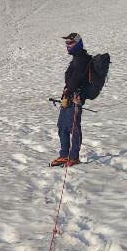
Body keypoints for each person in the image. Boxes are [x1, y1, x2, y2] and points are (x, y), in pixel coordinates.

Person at [51, 32, 91, 167]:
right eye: (66, 43)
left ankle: (74, 157)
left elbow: (75, 81)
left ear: (78, 43)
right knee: (62, 126)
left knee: (73, 127)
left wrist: (69, 91)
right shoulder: (76, 58)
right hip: (68, 97)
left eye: (70, 43)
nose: (67, 45)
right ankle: (64, 155)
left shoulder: (82, 59)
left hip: (75, 98)